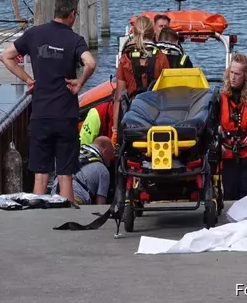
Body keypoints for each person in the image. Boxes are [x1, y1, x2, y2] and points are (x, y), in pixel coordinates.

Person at [0, 0, 96, 202]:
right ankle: (68, 218)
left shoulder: (35, 34)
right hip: (65, 115)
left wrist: (27, 79)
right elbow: (90, 63)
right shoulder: (75, 39)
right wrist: (80, 82)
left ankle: (37, 223)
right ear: (72, 13)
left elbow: (6, 56)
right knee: (65, 175)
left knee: (40, 175)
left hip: (41, 114)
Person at [111, 16, 169, 146]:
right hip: (156, 116)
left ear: (134, 32)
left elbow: (118, 97)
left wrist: (115, 129)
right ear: (153, 33)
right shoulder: (161, 57)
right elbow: (167, 93)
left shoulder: (125, 59)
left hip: (133, 117)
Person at [218, 53, 247, 200]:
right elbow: (212, 127)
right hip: (227, 156)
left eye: (237, 74)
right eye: (231, 73)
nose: (233, 77)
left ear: (245, 76)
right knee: (230, 196)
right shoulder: (220, 98)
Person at [51, 137, 115, 205]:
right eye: (111, 154)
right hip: (76, 200)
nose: (111, 159)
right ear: (104, 152)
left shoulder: (72, 154)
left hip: (54, 195)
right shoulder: (103, 170)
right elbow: (101, 204)